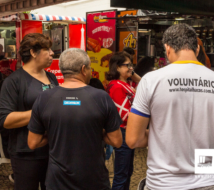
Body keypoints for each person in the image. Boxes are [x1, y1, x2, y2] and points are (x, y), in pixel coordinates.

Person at [126, 23, 214, 190]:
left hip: (164, 182)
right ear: (196, 50)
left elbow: (133, 139)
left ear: (167, 49)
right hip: (208, 180)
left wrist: (165, 134)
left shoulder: (151, 80)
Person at [27, 48, 123, 190]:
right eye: (90, 68)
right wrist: (94, 131)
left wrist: (56, 133)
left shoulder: (44, 98)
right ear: (83, 69)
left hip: (57, 181)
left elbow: (33, 142)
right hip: (93, 180)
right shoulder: (101, 98)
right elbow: (116, 141)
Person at [0, 33, 58, 190]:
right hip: (26, 153)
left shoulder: (52, 78)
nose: (52, 53)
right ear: (33, 52)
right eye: (48, 49)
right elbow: (5, 120)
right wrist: (40, 111)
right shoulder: (13, 81)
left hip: (52, 150)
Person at [106, 52, 140, 190]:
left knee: (127, 172)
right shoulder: (116, 86)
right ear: (117, 67)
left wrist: (130, 70)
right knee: (121, 175)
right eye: (127, 65)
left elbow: (143, 82)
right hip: (123, 131)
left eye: (132, 65)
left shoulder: (126, 83)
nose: (131, 68)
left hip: (128, 130)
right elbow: (125, 115)